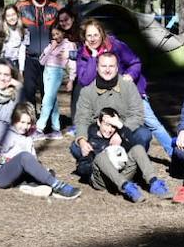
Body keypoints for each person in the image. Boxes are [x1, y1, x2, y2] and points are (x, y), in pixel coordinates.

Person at [72, 18, 173, 154]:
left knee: (152, 124)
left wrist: (130, 75)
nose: (93, 39)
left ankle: (174, 154)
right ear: (84, 37)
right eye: (89, 35)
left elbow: (135, 62)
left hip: (130, 92)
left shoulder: (116, 45)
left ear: (102, 34)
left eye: (96, 35)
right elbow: (85, 80)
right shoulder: (83, 54)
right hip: (103, 97)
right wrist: (93, 56)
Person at [70, 107, 171, 202]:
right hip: (102, 180)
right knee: (101, 157)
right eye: (107, 124)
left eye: (113, 126)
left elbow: (135, 146)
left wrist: (121, 128)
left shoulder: (120, 136)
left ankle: (154, 183)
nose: (109, 130)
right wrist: (91, 157)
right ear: (99, 122)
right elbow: (82, 169)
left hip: (122, 175)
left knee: (138, 148)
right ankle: (127, 187)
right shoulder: (89, 139)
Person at [0, 101, 81, 199]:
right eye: (22, 122)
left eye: (28, 123)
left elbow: (32, 159)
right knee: (24, 157)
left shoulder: (28, 138)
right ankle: (58, 186)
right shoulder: (7, 135)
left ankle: (31, 187)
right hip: (1, 175)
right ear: (14, 120)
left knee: (49, 172)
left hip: (20, 175)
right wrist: (11, 160)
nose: (25, 127)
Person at [71, 51, 145, 143]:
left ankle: (132, 152)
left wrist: (121, 134)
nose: (107, 70)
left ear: (117, 68)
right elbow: (82, 119)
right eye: (103, 66)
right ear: (97, 67)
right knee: (76, 147)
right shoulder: (87, 91)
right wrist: (82, 139)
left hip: (124, 130)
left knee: (143, 134)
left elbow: (137, 114)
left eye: (111, 66)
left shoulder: (129, 86)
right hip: (99, 133)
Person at [17, 0, 61, 104]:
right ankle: (30, 116)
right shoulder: (21, 7)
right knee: (28, 93)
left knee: (47, 94)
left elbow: (62, 30)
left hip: (49, 59)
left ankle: (46, 117)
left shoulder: (54, 8)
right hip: (29, 58)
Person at [35, 24, 76, 137]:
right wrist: (51, 48)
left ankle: (39, 128)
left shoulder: (69, 45)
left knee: (47, 100)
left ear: (63, 33)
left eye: (58, 34)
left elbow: (72, 63)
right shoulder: (51, 45)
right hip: (46, 72)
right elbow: (41, 61)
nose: (56, 37)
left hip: (56, 72)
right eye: (53, 35)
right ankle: (56, 129)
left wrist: (71, 79)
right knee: (52, 100)